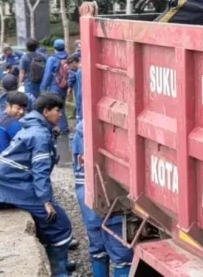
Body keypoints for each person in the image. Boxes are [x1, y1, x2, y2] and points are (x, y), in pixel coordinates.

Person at [0, 94, 74, 276]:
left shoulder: (36, 126)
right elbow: (40, 170)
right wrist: (46, 200)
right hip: (12, 182)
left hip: (9, 178)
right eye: (57, 111)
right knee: (60, 223)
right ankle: (59, 269)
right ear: (46, 112)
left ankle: (56, 260)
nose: (61, 115)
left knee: (51, 215)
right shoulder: (39, 134)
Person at [70, 65, 133, 276]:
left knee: (97, 248)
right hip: (109, 196)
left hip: (86, 194)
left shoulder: (80, 130)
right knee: (122, 254)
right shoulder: (105, 131)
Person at [0, 91, 29, 166]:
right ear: (8, 106)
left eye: (23, 108)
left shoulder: (1, 118)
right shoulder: (11, 124)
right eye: (18, 108)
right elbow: (26, 144)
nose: (21, 111)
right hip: (4, 167)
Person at [40, 40, 70, 133]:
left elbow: (48, 74)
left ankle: (63, 128)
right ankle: (62, 126)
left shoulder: (52, 59)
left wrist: (43, 87)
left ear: (54, 48)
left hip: (55, 86)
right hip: (65, 86)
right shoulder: (68, 57)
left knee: (55, 107)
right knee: (61, 105)